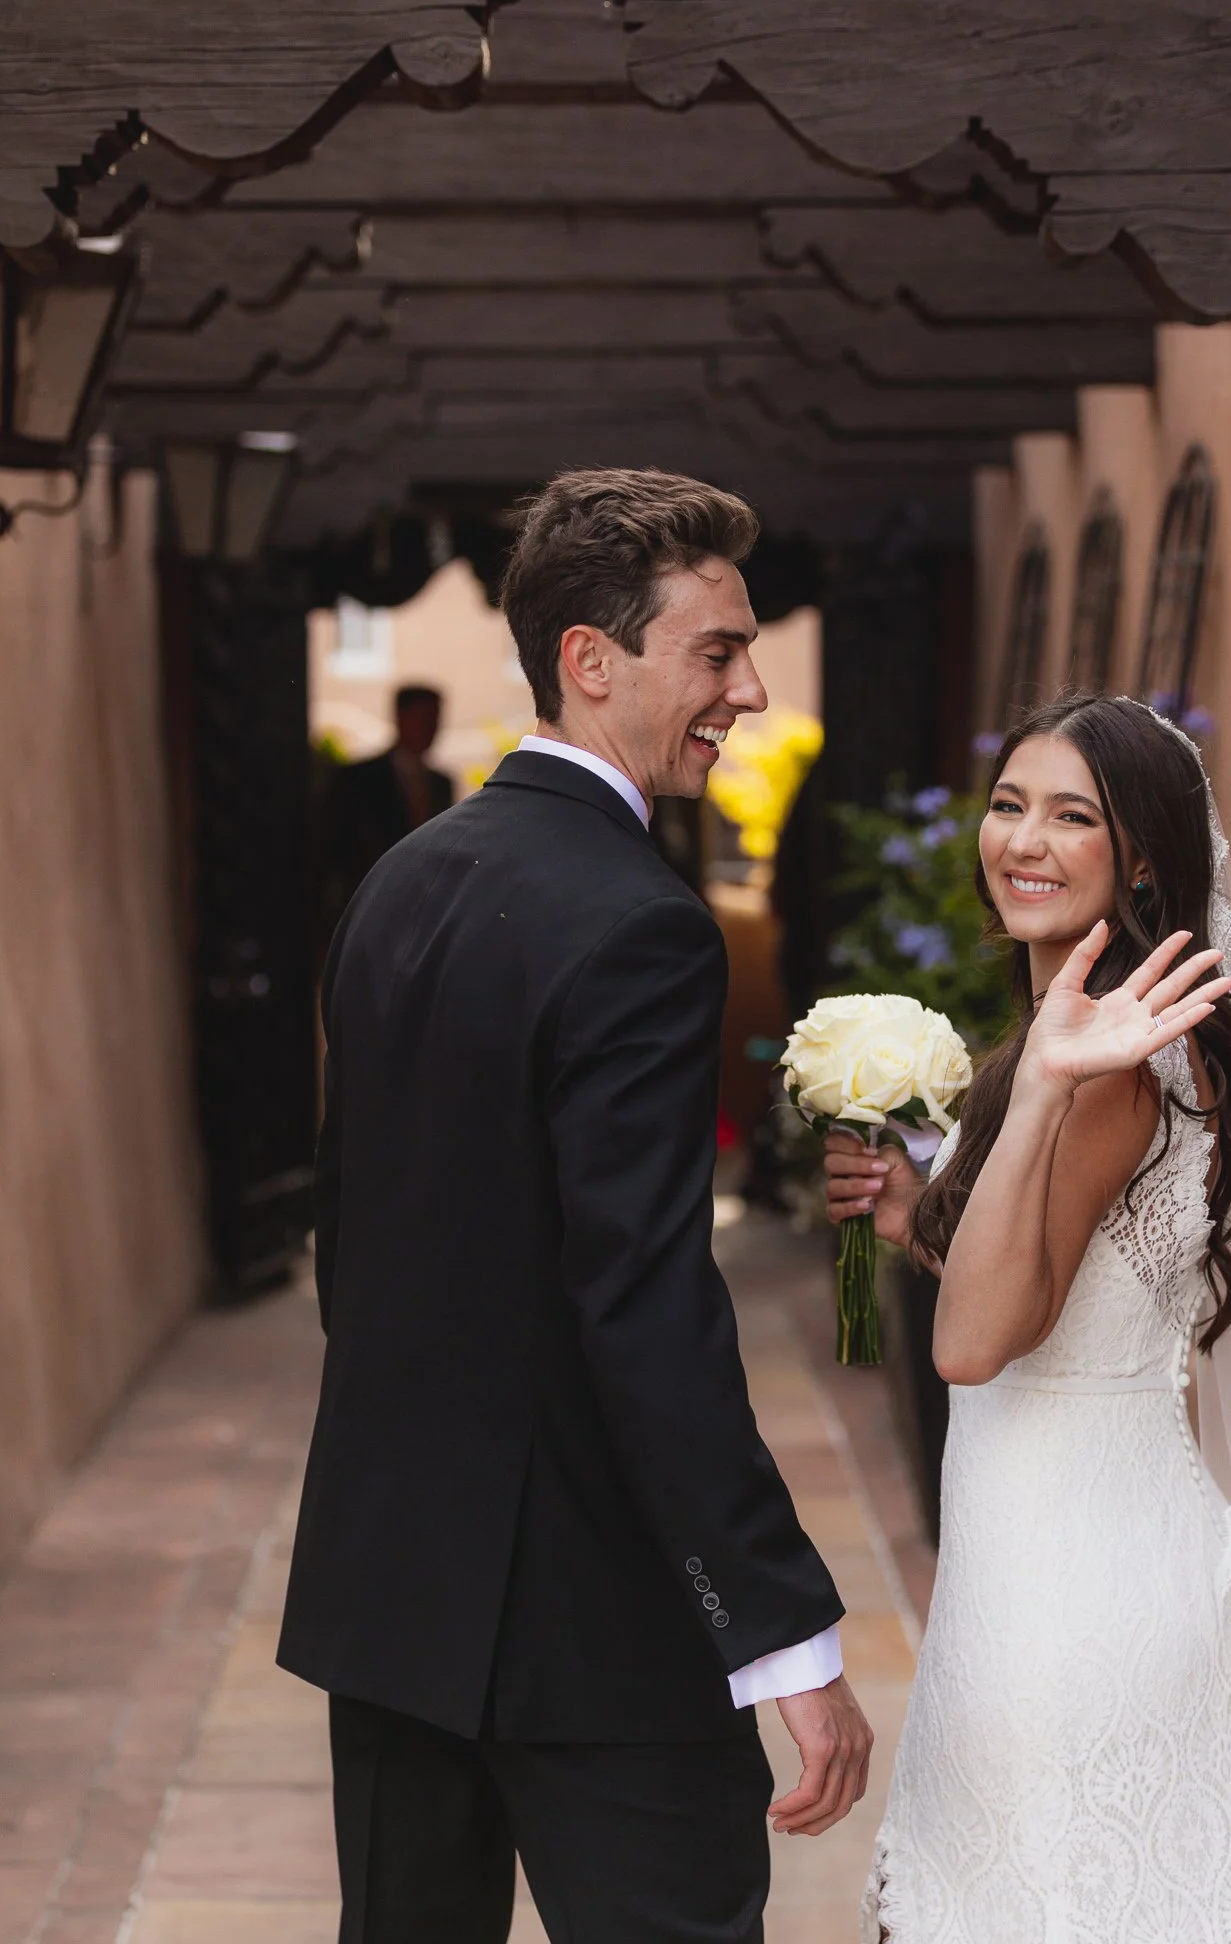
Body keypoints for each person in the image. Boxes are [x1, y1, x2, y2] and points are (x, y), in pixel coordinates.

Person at [279, 469, 873, 1944]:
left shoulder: (400, 883)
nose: (744, 687)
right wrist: (778, 1627)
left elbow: (350, 1245)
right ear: (590, 661)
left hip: (389, 1593)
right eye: (716, 651)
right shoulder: (640, 926)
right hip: (593, 1614)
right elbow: (647, 1302)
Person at [827, 692, 1231, 1944]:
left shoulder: (1099, 1069)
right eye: (1010, 805)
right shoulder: (1088, 1044)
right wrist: (913, 1223)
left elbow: (971, 1348)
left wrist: (1050, 1081)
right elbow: (1055, 1292)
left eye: (1074, 817)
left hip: (1072, 1588)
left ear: (1144, 858)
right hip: (1069, 1549)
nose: (1024, 840)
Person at [320, 683, 454, 923]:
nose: (429, 727)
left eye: (434, 718)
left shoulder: (441, 784)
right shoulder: (357, 778)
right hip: (366, 908)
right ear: (400, 718)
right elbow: (332, 849)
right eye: (422, 718)